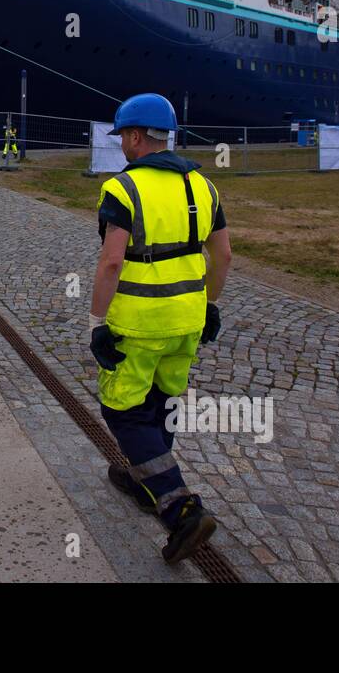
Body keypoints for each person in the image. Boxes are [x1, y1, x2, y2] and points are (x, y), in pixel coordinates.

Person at [89, 93, 232, 564]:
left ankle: (179, 507)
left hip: (139, 322)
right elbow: (224, 255)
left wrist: (97, 324)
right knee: (162, 401)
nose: (122, 147)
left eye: (123, 137)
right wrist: (210, 305)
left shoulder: (122, 189)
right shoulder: (203, 186)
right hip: (188, 320)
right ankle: (142, 480)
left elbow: (111, 263)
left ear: (134, 136)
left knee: (123, 410)